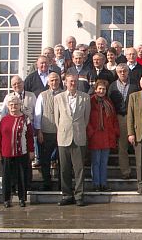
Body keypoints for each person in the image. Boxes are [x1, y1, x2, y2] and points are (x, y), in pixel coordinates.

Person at [54, 74, 91, 206]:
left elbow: (86, 119)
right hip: (64, 137)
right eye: (70, 81)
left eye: (75, 81)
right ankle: (66, 195)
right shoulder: (58, 98)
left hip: (79, 136)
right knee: (64, 169)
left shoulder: (85, 98)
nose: (73, 84)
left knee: (79, 169)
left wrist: (78, 129)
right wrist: (64, 130)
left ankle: (79, 195)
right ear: (65, 83)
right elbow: (57, 120)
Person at [0, 95, 34, 208]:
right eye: (11, 105)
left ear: (20, 105)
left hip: (21, 152)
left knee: (22, 177)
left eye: (16, 104)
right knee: (7, 177)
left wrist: (31, 151)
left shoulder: (25, 119)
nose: (13, 107)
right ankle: (6, 199)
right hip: (6, 153)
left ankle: (22, 198)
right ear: (8, 106)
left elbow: (30, 136)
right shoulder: (4, 120)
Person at [87, 80, 120, 191]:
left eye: (104, 89)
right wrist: (91, 132)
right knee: (96, 162)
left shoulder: (108, 102)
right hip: (95, 136)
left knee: (104, 162)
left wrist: (115, 132)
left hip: (106, 136)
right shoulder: (90, 101)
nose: (101, 91)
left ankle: (103, 184)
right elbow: (86, 118)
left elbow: (114, 118)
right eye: (99, 89)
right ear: (95, 89)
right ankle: (96, 184)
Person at [108, 64, 140, 179]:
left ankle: (140, 172)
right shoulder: (112, 86)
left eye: (125, 71)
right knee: (122, 146)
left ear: (128, 72)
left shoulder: (135, 84)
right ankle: (125, 171)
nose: (122, 73)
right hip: (120, 117)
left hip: (135, 118)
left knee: (138, 145)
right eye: (120, 71)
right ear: (117, 73)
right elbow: (110, 104)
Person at [33, 72, 63, 191]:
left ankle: (62, 184)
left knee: (62, 160)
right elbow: (37, 114)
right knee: (45, 160)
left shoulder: (64, 94)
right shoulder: (42, 95)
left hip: (61, 132)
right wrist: (39, 131)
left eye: (56, 80)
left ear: (59, 81)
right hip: (46, 131)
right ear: (48, 82)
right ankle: (47, 182)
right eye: (52, 80)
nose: (54, 82)